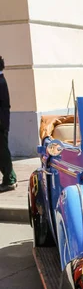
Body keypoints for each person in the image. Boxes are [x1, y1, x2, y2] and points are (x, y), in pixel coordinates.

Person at [0, 56, 16, 192]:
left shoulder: (0, 82)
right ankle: (10, 178)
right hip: (2, 123)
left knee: (2, 152)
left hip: (0, 124)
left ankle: (9, 180)